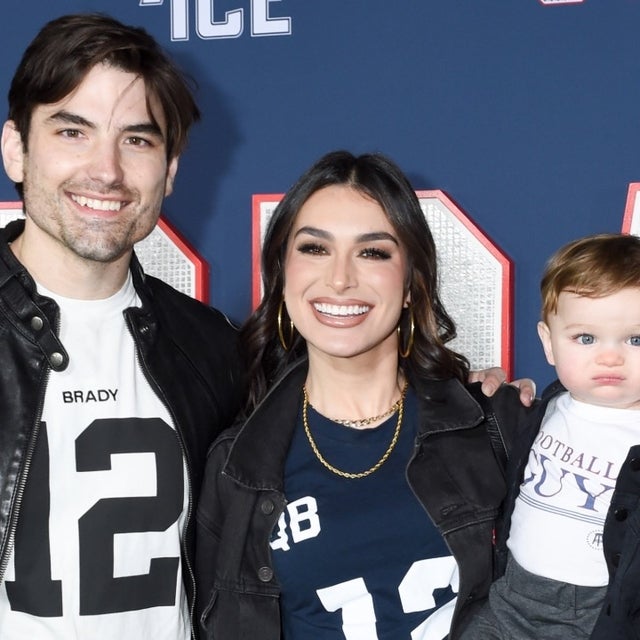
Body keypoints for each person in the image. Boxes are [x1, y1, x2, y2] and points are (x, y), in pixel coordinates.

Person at [195, 150, 536, 640]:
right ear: (282, 272)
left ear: (411, 284)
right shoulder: (236, 467)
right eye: (314, 248)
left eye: (373, 252)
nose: (339, 279)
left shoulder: (495, 425)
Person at [0, 13, 245, 639]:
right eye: (73, 131)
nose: (106, 171)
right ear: (16, 150)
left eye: (137, 139)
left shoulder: (212, 348)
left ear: (169, 171)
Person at [462, 233, 640, 640]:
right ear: (549, 343)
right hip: (511, 593)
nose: (610, 356)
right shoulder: (539, 410)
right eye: (586, 338)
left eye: (636, 339)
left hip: (598, 612)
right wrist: (478, 392)